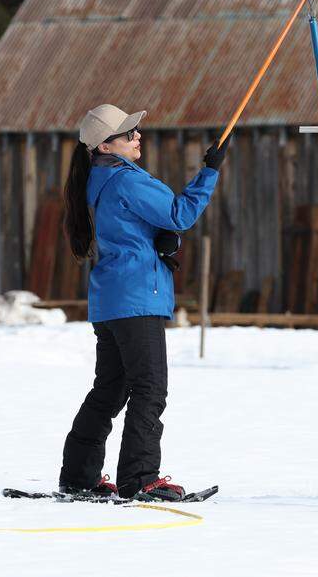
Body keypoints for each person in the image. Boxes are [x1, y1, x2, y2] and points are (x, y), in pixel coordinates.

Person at [58, 104, 228, 501]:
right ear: (105, 145)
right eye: (128, 132)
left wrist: (160, 239)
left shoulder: (99, 179)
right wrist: (210, 170)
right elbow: (180, 214)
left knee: (110, 390)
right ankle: (140, 479)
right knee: (149, 388)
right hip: (137, 299)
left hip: (113, 299)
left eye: (135, 129)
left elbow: (147, 228)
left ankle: (79, 476)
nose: (138, 136)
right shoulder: (124, 180)